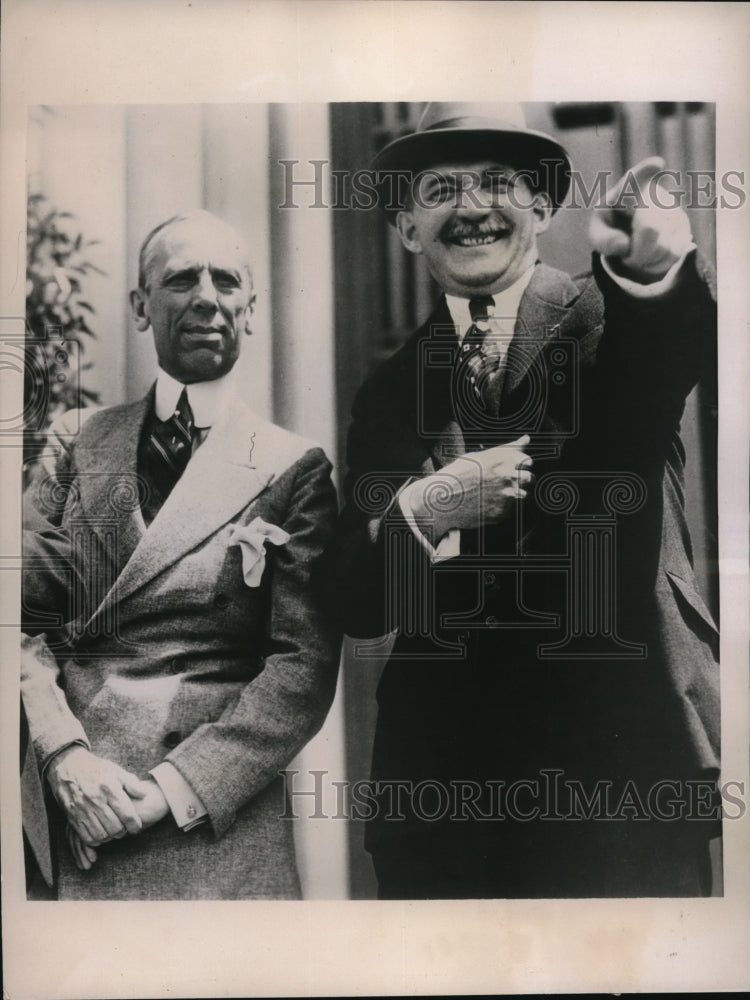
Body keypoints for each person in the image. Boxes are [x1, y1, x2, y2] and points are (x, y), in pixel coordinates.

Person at [333, 102, 720, 898]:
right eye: (440, 189)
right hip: (444, 793)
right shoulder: (386, 390)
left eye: (498, 183)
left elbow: (656, 365)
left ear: (543, 208)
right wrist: (424, 510)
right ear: (407, 227)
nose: (472, 207)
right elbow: (355, 595)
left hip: (614, 774)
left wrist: (655, 278)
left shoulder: (607, 319)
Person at [20, 210, 341, 900]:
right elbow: (17, 622)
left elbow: (302, 669)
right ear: (141, 306)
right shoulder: (76, 444)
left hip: (212, 816)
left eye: (226, 280)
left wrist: (172, 789)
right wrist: (63, 755)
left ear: (250, 309)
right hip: (77, 802)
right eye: (179, 279)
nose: (205, 296)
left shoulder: (294, 468)